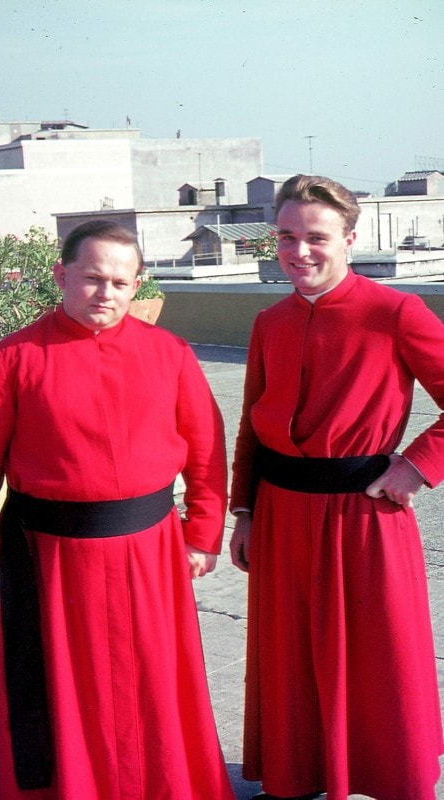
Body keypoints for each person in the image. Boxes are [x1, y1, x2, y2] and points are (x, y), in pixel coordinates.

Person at [0, 220, 235, 800]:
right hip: (47, 561)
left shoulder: (171, 354)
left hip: (149, 553)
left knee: (149, 688)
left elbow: (206, 452)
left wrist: (202, 534)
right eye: (92, 278)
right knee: (58, 694)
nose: (106, 293)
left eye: (120, 282)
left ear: (137, 285)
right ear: (61, 275)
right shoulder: (10, 358)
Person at [229, 174, 444, 800]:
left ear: (350, 239)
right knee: (291, 655)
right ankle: (296, 777)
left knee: (377, 658)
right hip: (281, 516)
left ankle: (389, 778)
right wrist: (244, 511)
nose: (299, 251)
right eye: (286, 237)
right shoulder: (269, 321)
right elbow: (252, 426)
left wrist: (414, 466)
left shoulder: (396, 311)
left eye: (316, 237)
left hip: (364, 518)